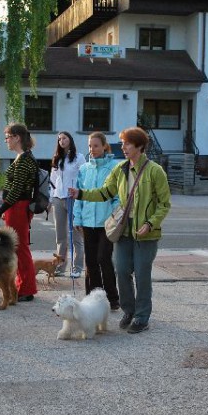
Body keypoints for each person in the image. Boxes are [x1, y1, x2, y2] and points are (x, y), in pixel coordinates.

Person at [69, 127, 170, 334]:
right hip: (124, 230)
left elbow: (164, 204)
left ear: (139, 146)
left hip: (146, 233)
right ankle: (129, 310)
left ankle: (142, 317)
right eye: (122, 143)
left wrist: (150, 223)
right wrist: (81, 194)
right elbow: (105, 192)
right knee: (122, 270)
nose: (122, 147)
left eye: (127, 143)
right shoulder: (120, 169)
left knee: (142, 274)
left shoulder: (155, 171)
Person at [0, 124, 39, 302]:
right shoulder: (22, 157)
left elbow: (16, 190)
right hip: (14, 207)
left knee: (19, 247)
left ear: (17, 137)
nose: (6, 140)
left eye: (8, 136)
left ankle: (26, 288)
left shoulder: (25, 160)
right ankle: (22, 285)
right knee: (17, 247)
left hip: (18, 207)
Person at [73, 132, 121, 311]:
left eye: (96, 146)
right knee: (91, 261)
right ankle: (92, 297)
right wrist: (77, 217)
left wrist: (114, 216)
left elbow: (117, 196)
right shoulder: (84, 169)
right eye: (90, 146)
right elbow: (79, 195)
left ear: (104, 146)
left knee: (104, 258)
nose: (92, 150)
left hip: (106, 222)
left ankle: (112, 298)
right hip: (87, 222)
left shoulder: (113, 167)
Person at [50, 131, 85, 277]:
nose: (61, 141)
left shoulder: (79, 157)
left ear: (70, 139)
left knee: (75, 235)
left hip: (73, 198)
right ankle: (60, 265)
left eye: (64, 138)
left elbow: (84, 177)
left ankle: (77, 267)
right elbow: (53, 179)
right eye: (59, 139)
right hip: (59, 198)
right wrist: (51, 197)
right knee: (61, 236)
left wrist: (80, 193)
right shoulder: (57, 158)